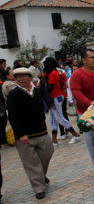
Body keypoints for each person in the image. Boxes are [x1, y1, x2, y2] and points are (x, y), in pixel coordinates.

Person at [6, 67, 54, 199]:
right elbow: (13, 117)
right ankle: (39, 188)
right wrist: (21, 134)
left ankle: (40, 176)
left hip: (41, 132)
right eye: (18, 77)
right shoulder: (13, 95)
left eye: (24, 76)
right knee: (31, 163)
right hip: (24, 136)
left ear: (30, 78)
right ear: (15, 80)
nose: (21, 79)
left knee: (48, 153)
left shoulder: (37, 92)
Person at [70, 48, 94, 183]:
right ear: (84, 60)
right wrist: (89, 103)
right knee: (92, 142)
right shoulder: (77, 75)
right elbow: (76, 93)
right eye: (91, 57)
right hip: (86, 114)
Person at [43, 57, 80, 145]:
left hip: (54, 97)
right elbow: (65, 85)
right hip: (60, 95)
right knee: (53, 118)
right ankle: (54, 140)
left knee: (59, 117)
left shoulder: (51, 74)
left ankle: (75, 135)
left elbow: (50, 87)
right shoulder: (60, 72)